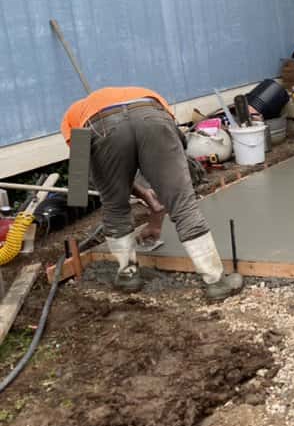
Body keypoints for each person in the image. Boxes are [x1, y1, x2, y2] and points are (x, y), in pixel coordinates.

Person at [61, 87, 243, 300]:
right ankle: (216, 282)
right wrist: (147, 194)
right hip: (152, 115)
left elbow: (85, 176)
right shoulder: (146, 94)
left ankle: (128, 276)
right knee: (183, 205)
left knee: (114, 205)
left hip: (102, 127)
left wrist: (123, 195)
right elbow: (176, 151)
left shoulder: (73, 116)